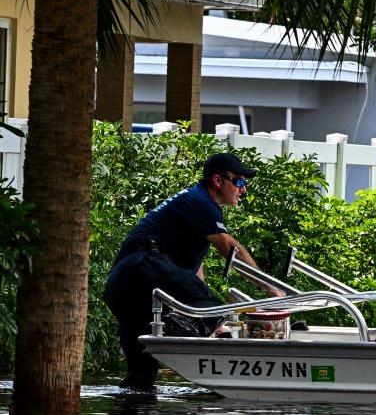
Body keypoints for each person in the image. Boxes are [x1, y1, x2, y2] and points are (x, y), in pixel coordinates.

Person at [103, 153, 284, 390]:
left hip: (124, 286)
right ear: (218, 180)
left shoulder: (192, 211)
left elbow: (194, 272)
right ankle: (237, 373)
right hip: (142, 267)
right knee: (213, 311)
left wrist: (202, 304)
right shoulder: (200, 201)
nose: (244, 190)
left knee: (141, 380)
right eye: (239, 182)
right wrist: (272, 289)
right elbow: (232, 250)